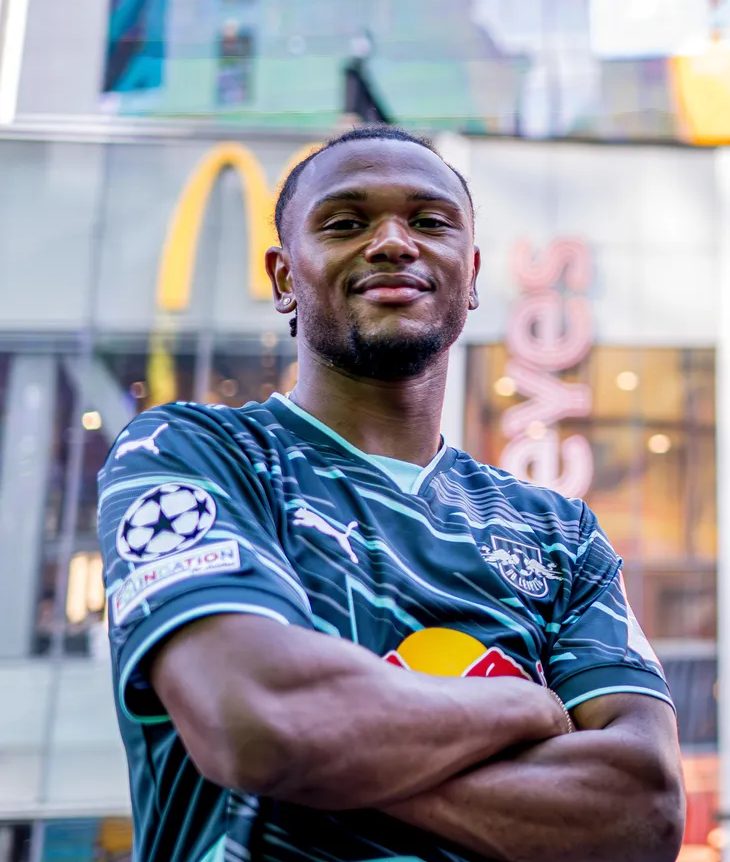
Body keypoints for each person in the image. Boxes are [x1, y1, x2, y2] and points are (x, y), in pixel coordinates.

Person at [95, 126, 682, 862]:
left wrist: (326, 751)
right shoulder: (193, 456)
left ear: (470, 277)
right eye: (346, 222)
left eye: (429, 221)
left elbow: (643, 810)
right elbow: (256, 718)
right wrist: (522, 707)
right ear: (283, 278)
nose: (393, 242)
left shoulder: (559, 533)